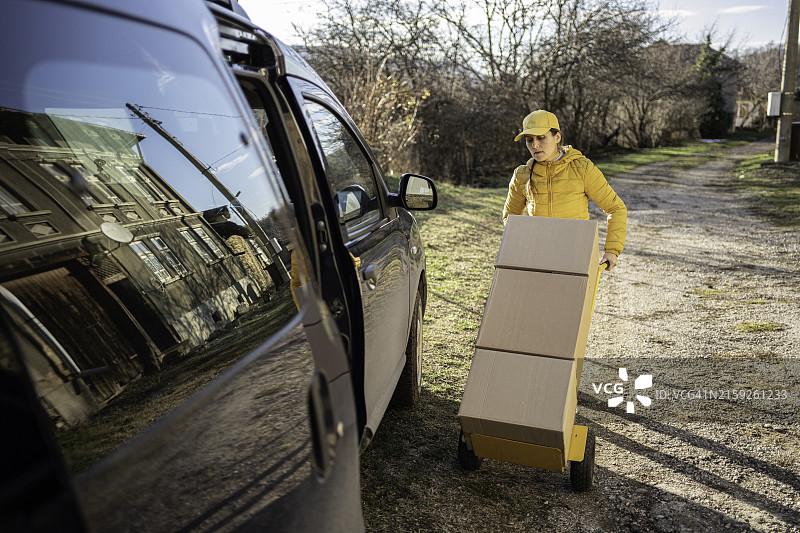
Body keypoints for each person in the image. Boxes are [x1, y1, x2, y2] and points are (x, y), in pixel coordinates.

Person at [502, 110, 627, 269]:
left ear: (557, 137)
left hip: (576, 256)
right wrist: (524, 246)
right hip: (537, 257)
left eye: (541, 137)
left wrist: (612, 251)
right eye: (529, 140)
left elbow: (616, 208)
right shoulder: (522, 174)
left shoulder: (582, 168)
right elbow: (511, 219)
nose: (535, 145)